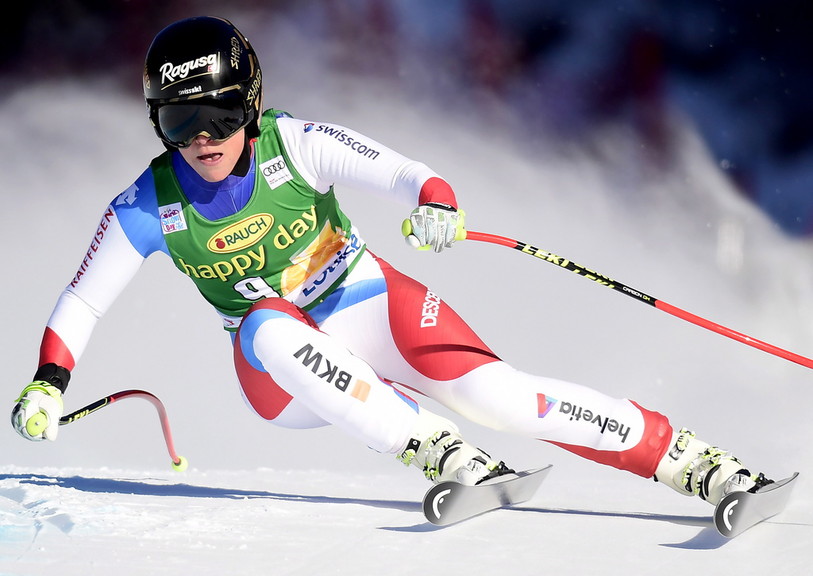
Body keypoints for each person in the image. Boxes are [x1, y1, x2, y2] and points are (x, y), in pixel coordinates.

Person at [12, 16, 771, 505]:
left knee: (503, 400)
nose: (203, 138)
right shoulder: (149, 205)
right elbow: (83, 301)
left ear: (250, 105)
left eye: (221, 115)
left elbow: (410, 175)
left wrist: (435, 204)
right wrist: (50, 383)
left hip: (370, 300)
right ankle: (435, 452)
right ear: (159, 124)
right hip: (284, 377)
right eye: (181, 121)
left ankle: (693, 463)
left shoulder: (295, 144)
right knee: (269, 326)